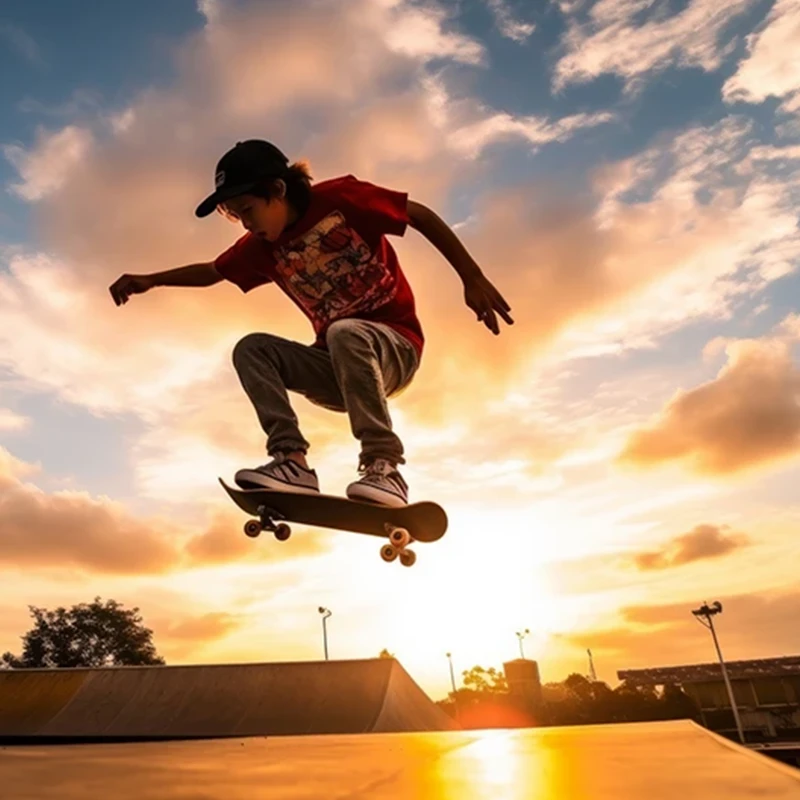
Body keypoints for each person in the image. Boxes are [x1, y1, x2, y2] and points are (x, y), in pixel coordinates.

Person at [109, 139, 512, 507]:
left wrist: (471, 276)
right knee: (252, 348)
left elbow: (418, 214)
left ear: (278, 191)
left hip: (395, 349)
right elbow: (213, 271)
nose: (247, 225)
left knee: (345, 331)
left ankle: (385, 467)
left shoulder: (341, 199)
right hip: (336, 371)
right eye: (235, 216)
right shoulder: (263, 247)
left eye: (248, 210)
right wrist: (151, 280)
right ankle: (291, 461)